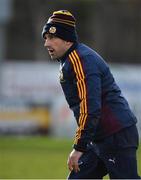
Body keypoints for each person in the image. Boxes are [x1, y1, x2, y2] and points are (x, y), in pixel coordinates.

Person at [42, 10, 140, 179]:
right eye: (45, 38)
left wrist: (79, 147)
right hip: (100, 136)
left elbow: (90, 107)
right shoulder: (71, 58)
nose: (46, 44)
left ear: (67, 39)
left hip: (115, 134)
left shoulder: (80, 60)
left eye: (51, 38)